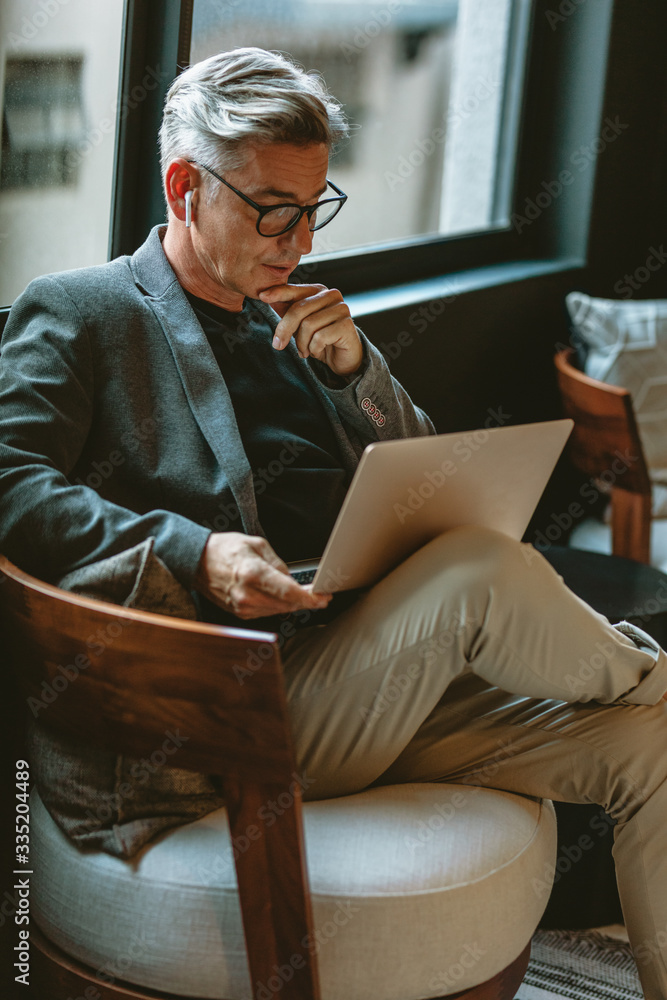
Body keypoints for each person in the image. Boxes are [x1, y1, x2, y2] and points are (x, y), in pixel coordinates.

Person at [2, 46, 667, 999]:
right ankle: (644, 675)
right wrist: (198, 553)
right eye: (273, 208)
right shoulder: (80, 314)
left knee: (649, 744)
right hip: (233, 698)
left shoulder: (302, 321)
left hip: (373, 670)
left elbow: (424, 473)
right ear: (183, 186)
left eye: (315, 207)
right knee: (480, 572)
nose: (300, 240)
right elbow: (10, 480)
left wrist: (360, 374)